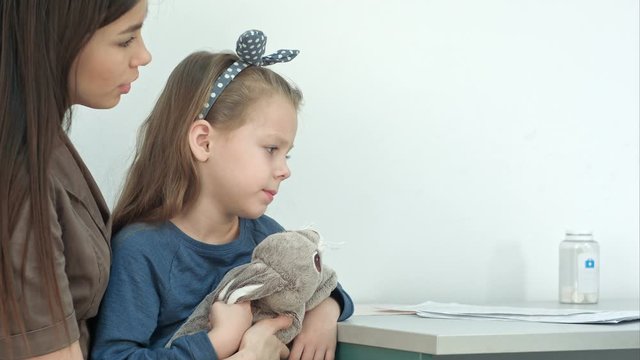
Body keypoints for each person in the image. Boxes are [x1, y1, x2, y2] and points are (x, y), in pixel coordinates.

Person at [91, 30, 354, 360]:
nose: (284, 170)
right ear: (204, 142)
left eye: (287, 154)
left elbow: (315, 278)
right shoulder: (141, 250)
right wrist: (218, 341)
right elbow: (113, 357)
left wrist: (323, 314)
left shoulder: (266, 235)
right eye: (271, 149)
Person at [0, 0, 152, 359]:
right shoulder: (20, 179)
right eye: (125, 40)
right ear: (57, 39)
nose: (143, 56)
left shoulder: (44, 142)